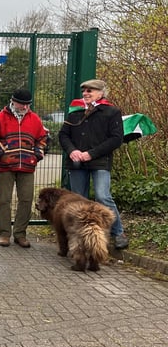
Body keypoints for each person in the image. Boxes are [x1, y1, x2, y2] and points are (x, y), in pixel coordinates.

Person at [59, 78, 129, 250]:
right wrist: (72, 151)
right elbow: (63, 135)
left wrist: (91, 154)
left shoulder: (111, 112)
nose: (86, 94)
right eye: (84, 91)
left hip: (100, 162)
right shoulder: (75, 110)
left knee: (102, 196)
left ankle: (118, 232)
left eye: (90, 91)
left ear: (101, 93)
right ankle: (79, 235)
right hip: (76, 163)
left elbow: (116, 139)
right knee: (78, 199)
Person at [0, 88, 48, 248]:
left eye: (28, 104)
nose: (25, 107)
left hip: (28, 166)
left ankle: (20, 234)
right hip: (6, 166)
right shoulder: (0, 117)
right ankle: (4, 234)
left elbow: (42, 139)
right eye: (22, 104)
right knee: (4, 200)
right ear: (13, 101)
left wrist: (37, 156)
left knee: (26, 200)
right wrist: (0, 155)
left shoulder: (34, 119)